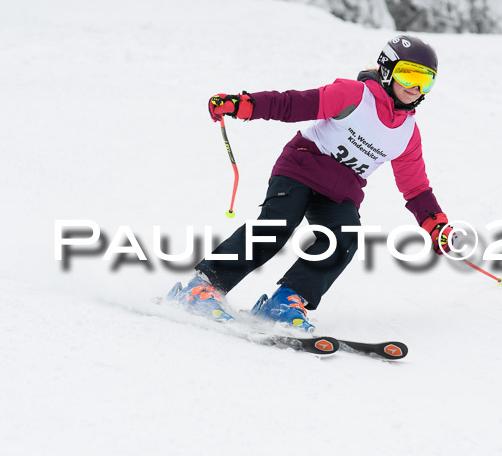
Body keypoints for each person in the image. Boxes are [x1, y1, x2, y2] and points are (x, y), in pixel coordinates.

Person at [167, 35, 453, 332]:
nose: (415, 87)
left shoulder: (407, 134)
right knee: (277, 224)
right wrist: (244, 105)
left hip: (342, 191)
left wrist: (437, 226)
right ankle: (203, 288)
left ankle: (287, 300)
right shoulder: (354, 95)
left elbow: (416, 188)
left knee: (345, 238)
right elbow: (293, 104)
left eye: (426, 80)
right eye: (409, 74)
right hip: (301, 167)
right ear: (387, 69)